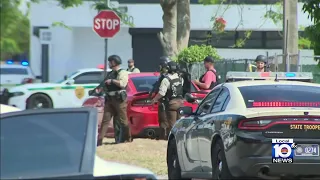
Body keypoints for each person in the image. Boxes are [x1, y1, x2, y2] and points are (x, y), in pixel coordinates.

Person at [97, 55, 132, 146]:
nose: (109, 64)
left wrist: (112, 81)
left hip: (119, 100)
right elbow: (105, 85)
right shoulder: (111, 73)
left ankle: (128, 139)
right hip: (110, 99)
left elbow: (122, 84)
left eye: (110, 62)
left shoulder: (122, 72)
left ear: (114, 62)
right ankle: (99, 141)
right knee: (105, 120)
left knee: (123, 120)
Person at [151, 61, 184, 140]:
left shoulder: (166, 79)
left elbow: (161, 93)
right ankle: (180, 139)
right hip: (181, 103)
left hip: (172, 103)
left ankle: (171, 141)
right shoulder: (180, 78)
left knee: (172, 125)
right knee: (179, 124)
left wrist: (154, 99)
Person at [149, 56, 170, 140]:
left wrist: (154, 98)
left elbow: (161, 91)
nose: (159, 67)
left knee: (164, 121)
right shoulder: (172, 76)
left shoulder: (165, 77)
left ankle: (164, 137)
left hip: (165, 101)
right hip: (170, 101)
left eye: (161, 65)